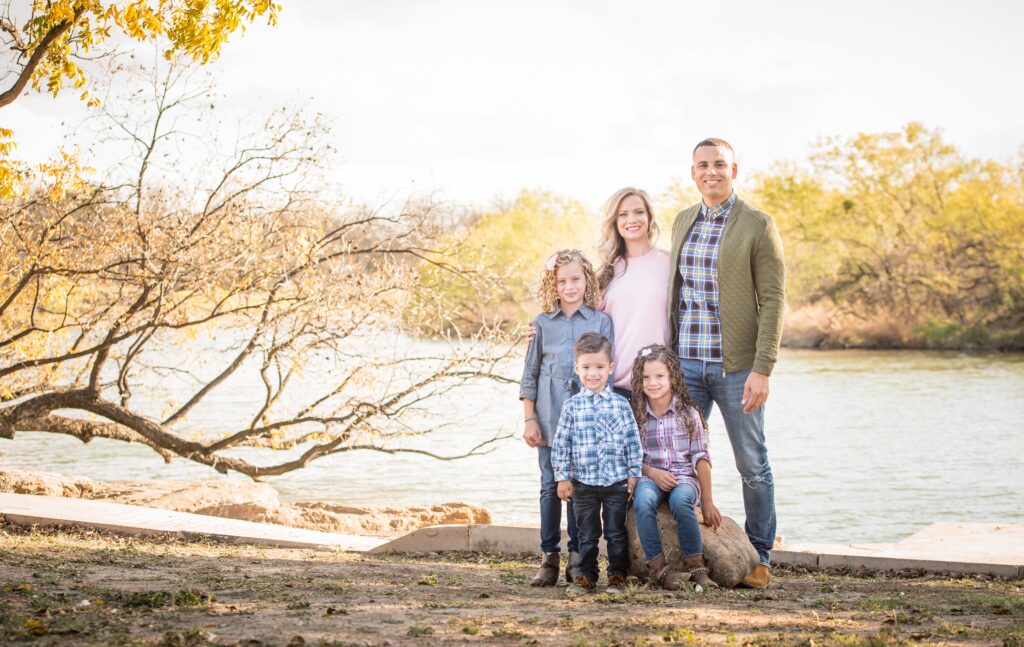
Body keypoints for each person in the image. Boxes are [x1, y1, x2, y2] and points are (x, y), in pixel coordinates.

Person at [667, 137, 785, 588]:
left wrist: (763, 367)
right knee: (683, 461)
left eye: (719, 164)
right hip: (686, 366)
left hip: (737, 368)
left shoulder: (757, 224)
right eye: (702, 165)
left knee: (751, 462)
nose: (710, 171)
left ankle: (761, 555)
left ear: (734, 170)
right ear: (692, 172)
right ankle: (693, 553)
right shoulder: (682, 221)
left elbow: (773, 299)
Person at [520, 249, 614, 587]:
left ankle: (578, 558)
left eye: (575, 279)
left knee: (579, 488)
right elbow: (530, 372)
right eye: (562, 281)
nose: (569, 286)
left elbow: (608, 374)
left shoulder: (601, 321)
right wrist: (529, 418)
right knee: (549, 484)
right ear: (553, 284)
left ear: (587, 279)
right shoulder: (542, 322)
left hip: (586, 419)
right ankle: (549, 557)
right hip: (549, 414)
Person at [552, 332, 642, 593]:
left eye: (600, 367)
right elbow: (561, 444)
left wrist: (633, 474)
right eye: (587, 367)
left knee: (615, 532)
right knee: (586, 534)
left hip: (616, 482)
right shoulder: (571, 407)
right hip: (584, 483)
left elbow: (632, 441)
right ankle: (586, 576)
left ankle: (617, 576)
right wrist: (562, 476)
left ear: (610, 368)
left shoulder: (620, 405)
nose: (593, 374)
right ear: (577, 368)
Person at [630, 344, 722, 591]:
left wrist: (708, 502)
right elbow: (631, 457)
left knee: (681, 501)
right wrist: (652, 473)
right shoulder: (637, 415)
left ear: (672, 377)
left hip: (684, 477)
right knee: (643, 501)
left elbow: (701, 458)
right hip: (649, 474)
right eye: (646, 378)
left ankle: (696, 567)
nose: (653, 383)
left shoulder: (688, 414)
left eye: (660, 376)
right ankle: (659, 570)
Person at [596, 188, 672, 400]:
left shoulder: (671, 264)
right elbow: (580, 321)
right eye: (623, 214)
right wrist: (539, 329)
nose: (632, 219)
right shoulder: (606, 273)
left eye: (639, 212)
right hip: (616, 391)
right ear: (615, 221)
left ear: (649, 217)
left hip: (659, 387)